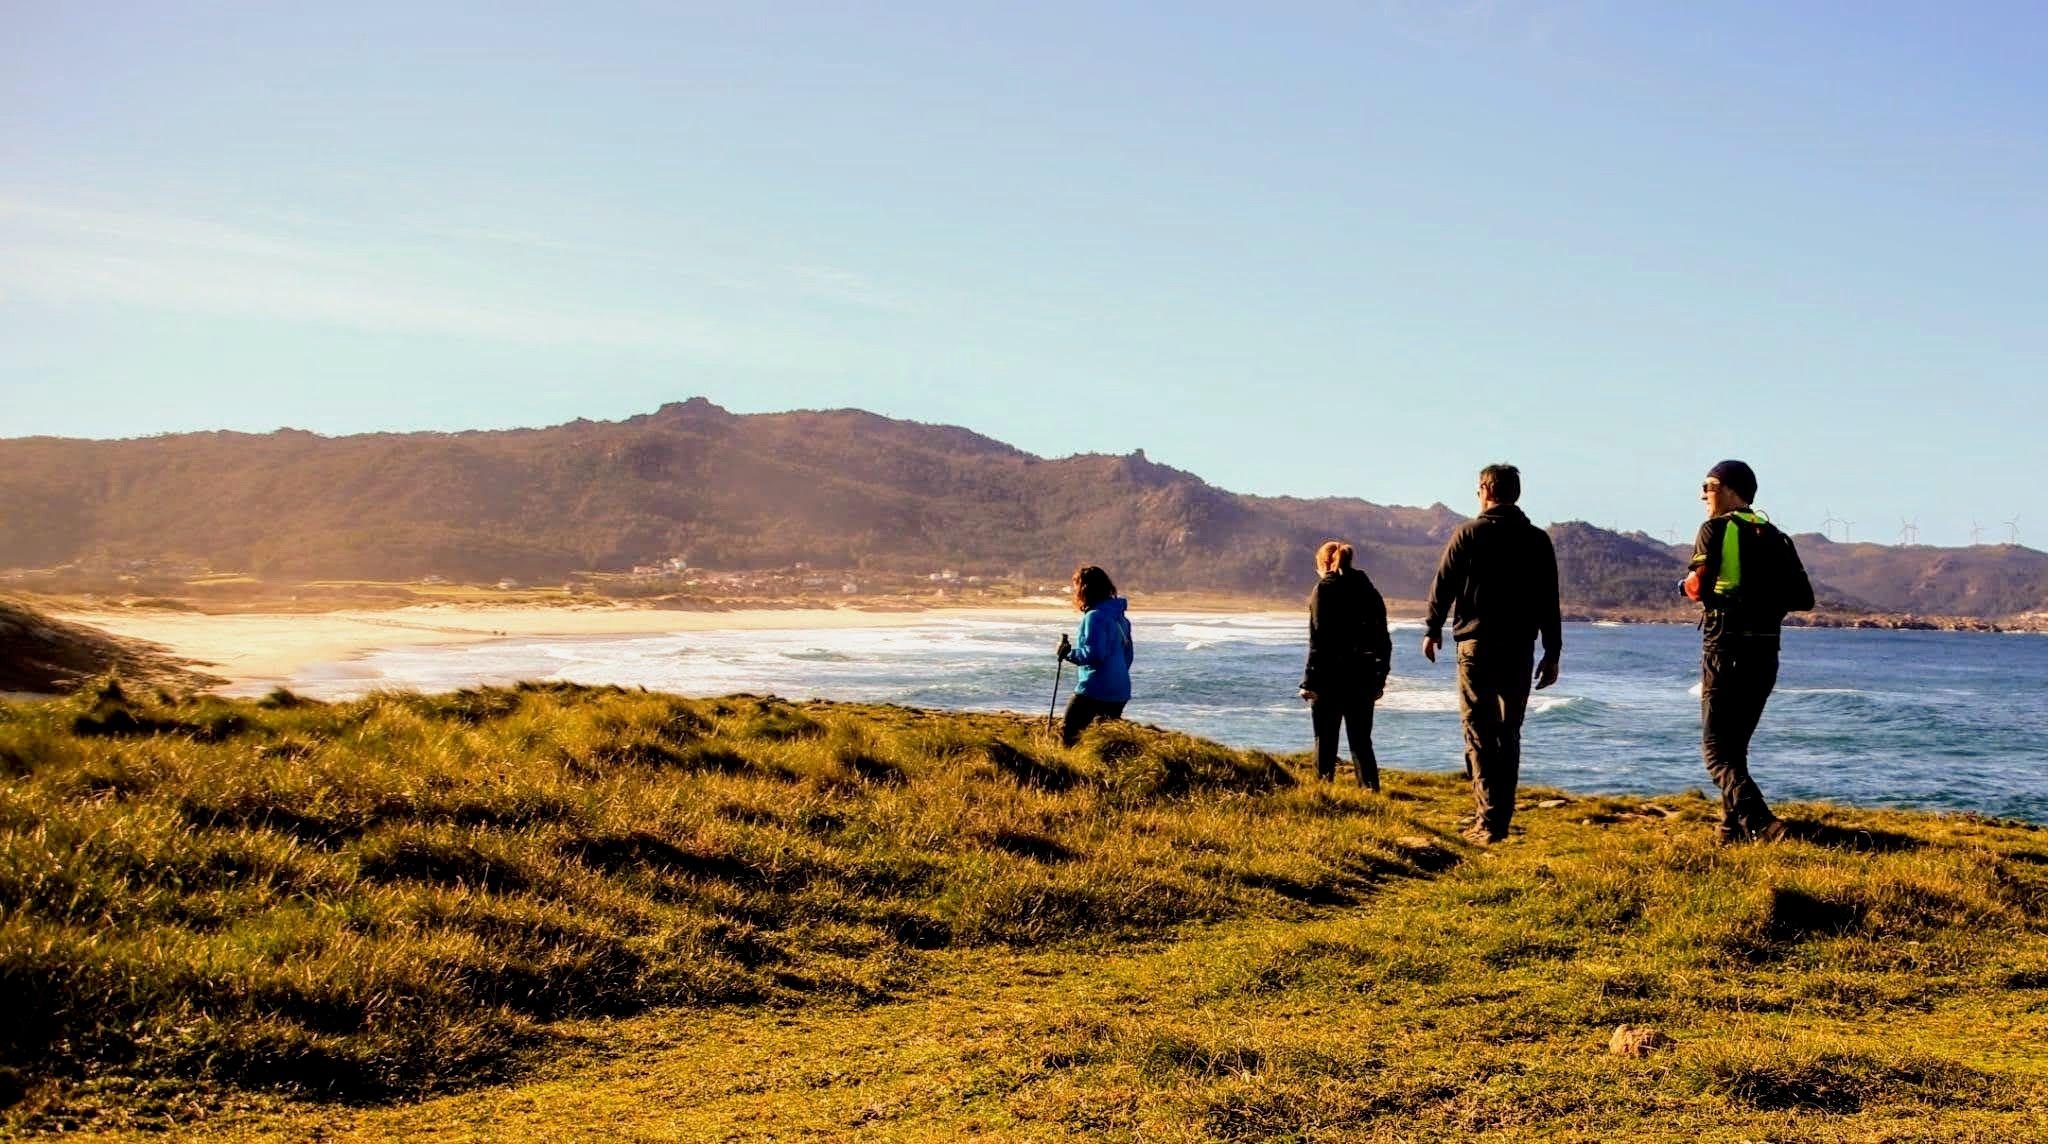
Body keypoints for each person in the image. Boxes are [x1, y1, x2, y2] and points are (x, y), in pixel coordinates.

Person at [1421, 463, 1562, 845]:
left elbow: (1444, 583)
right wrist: (1552, 652)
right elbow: (1550, 599)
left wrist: (1433, 628)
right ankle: (1499, 818)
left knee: (1479, 730)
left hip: (1477, 644)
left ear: (1485, 489)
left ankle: (1488, 819)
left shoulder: (1469, 533)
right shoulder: (1537, 540)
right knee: (1509, 731)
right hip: (1519, 647)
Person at [1684, 459, 1815, 844]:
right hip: (1766, 652)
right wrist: (1764, 600)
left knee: (1716, 752)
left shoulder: (1714, 529)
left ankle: (1766, 825)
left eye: (1707, 486)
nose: (1702, 495)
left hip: (1726, 647)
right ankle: (1731, 831)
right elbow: (1804, 598)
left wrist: (1686, 586)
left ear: (1727, 488)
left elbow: (1701, 588)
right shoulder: (1777, 536)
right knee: (1736, 747)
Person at [1298, 540, 1392, 789]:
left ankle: (1323, 794)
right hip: (1363, 677)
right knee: (1361, 742)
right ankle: (1371, 794)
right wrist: (1380, 678)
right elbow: (1384, 640)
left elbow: (1318, 639)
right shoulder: (1369, 591)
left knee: (1325, 740)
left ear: (1325, 563)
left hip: (1330, 678)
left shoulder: (1324, 589)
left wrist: (1309, 682)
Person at [1056, 565, 1134, 746]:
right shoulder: (1120, 618)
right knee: (1105, 741)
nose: (1074, 592)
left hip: (1094, 689)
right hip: (1120, 690)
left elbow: (1094, 654)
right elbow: (1127, 656)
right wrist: (1116, 675)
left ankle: (1070, 772)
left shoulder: (1094, 617)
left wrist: (1067, 653)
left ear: (1084, 589)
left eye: (1076, 587)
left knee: (1069, 735)